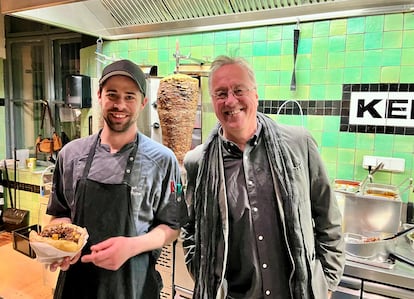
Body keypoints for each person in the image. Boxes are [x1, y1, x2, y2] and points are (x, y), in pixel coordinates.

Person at [181, 55, 345, 299]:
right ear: (212, 101)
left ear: (255, 94)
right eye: (221, 93)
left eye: (239, 90)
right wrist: (204, 273)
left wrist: (327, 284)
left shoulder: (299, 145)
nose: (231, 100)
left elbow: (328, 220)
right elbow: (190, 230)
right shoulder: (198, 162)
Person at [46, 59, 184, 299]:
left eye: (129, 96)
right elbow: (59, 214)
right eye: (112, 94)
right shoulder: (70, 154)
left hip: (135, 287)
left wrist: (132, 246)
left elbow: (172, 227)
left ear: (142, 103)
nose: (120, 104)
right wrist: (62, 246)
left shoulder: (162, 160)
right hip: (77, 286)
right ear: (100, 96)